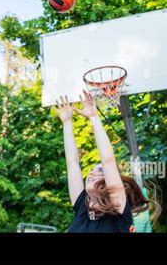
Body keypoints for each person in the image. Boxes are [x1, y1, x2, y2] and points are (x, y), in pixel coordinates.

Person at [54, 91, 150, 232]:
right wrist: (67, 122)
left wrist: (93, 117)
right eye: (91, 171)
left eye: (99, 171)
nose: (91, 174)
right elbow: (72, 163)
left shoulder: (118, 209)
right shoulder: (82, 206)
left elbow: (108, 160)